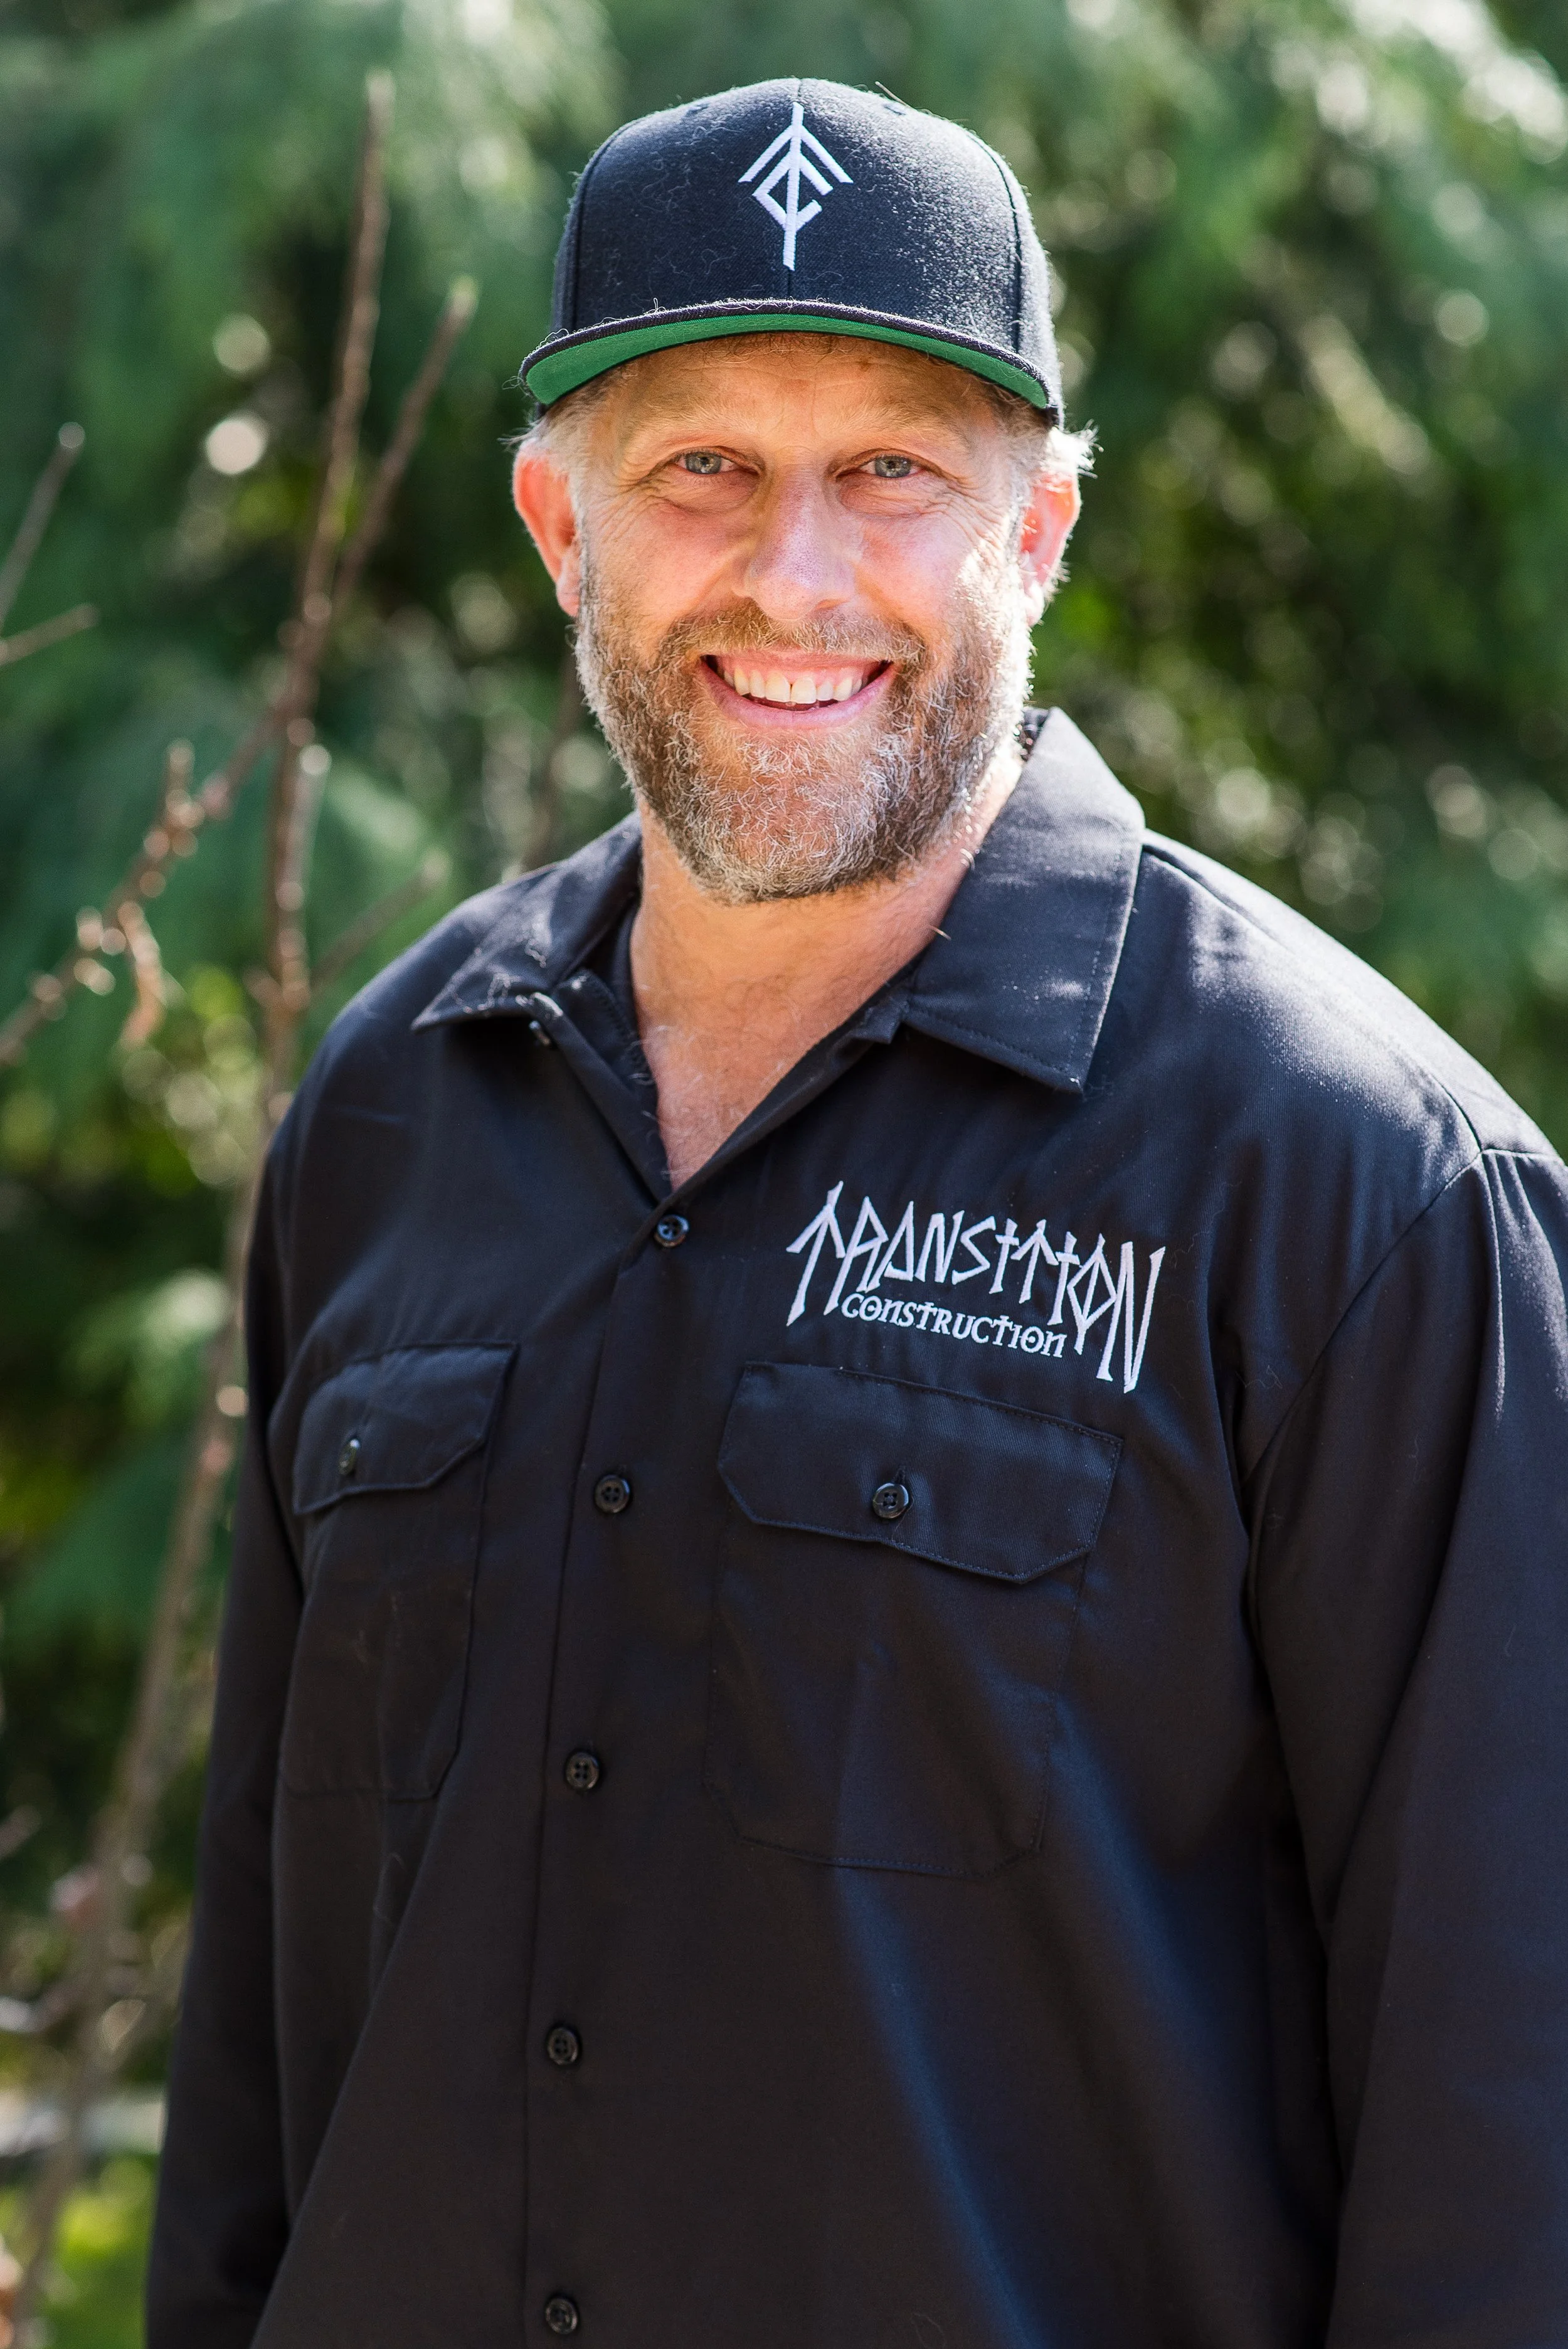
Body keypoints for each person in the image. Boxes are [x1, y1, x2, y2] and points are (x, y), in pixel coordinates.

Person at [148, 77, 1568, 2349]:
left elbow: (1513, 2143)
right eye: (701, 465)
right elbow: (263, 2030)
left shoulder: (1355, 1190)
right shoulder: (394, 1110)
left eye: (892, 470)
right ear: (559, 523)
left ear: (1035, 535)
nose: (793, 573)